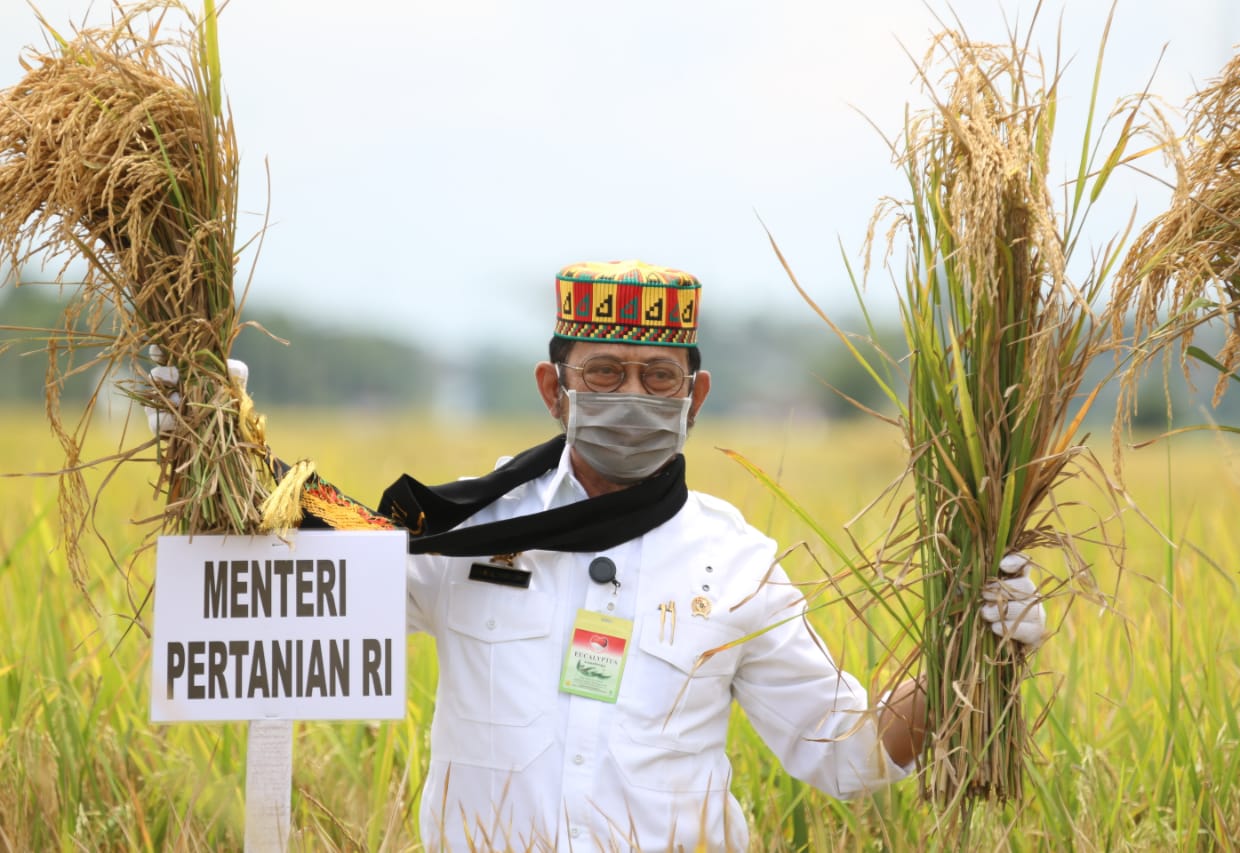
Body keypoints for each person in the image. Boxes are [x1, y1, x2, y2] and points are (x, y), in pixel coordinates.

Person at [148, 259, 1046, 850]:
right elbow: (294, 581)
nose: (633, 396)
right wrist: (207, 443)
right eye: (605, 373)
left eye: (658, 379)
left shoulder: (734, 562)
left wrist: (976, 651)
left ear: (694, 396)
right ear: (555, 388)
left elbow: (845, 752)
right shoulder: (470, 530)